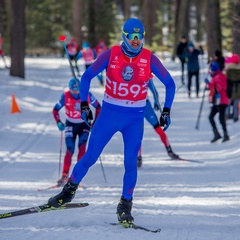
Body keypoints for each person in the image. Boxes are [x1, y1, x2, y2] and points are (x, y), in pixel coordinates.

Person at [48, 18, 175, 225]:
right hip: (109, 115)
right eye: (132, 36)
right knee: (90, 156)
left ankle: (125, 205)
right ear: (124, 36)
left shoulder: (149, 58)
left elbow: (170, 83)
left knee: (130, 163)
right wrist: (84, 105)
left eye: (139, 36)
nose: (136, 40)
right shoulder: (111, 54)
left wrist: (167, 110)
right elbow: (87, 77)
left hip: (134, 118)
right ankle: (68, 192)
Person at [52, 78, 101, 186]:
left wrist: (95, 123)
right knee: (70, 149)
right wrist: (59, 122)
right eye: (72, 90)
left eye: (77, 90)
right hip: (70, 124)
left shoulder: (87, 95)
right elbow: (55, 109)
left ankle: (77, 176)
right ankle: (64, 175)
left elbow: (98, 107)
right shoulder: (65, 96)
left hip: (84, 124)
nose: (75, 93)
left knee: (82, 149)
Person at [137, 79, 179, 167]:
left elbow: (153, 89)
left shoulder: (145, 72)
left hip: (146, 106)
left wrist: (156, 101)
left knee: (158, 128)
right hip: (135, 107)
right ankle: (138, 157)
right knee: (137, 132)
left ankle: (169, 150)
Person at [205, 62, 230, 142]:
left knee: (220, 118)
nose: (210, 72)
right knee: (211, 117)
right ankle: (217, 134)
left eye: (211, 71)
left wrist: (211, 85)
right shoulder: (217, 76)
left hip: (221, 100)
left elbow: (219, 87)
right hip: (217, 101)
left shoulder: (218, 77)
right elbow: (213, 87)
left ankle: (225, 135)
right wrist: (209, 83)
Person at [225, 54, 240, 122]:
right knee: (236, 104)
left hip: (230, 89)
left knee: (228, 103)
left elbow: (225, 79)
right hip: (238, 90)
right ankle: (235, 116)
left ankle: (227, 114)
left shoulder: (229, 70)